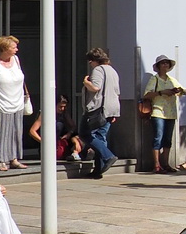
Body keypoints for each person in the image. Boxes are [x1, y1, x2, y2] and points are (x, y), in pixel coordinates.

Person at [0, 35, 30, 172]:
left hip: (18, 102)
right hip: (2, 103)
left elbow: (21, 78)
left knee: (16, 130)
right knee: (3, 132)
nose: (17, 49)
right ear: (5, 48)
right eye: (14, 47)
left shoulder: (16, 60)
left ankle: (14, 159)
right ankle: (2, 160)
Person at [143, 56, 186, 174]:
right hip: (158, 111)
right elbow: (146, 95)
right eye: (163, 63)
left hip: (171, 112)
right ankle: (156, 164)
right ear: (158, 66)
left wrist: (178, 91)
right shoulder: (155, 79)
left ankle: (166, 163)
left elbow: (184, 90)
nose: (165, 65)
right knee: (158, 137)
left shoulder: (171, 79)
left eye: (167, 63)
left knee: (168, 139)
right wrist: (162, 92)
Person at [81, 48, 120, 179]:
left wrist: (86, 83)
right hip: (111, 108)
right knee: (100, 137)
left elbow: (95, 87)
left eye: (90, 61)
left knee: (85, 134)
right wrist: (113, 113)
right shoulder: (112, 70)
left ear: (94, 60)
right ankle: (98, 170)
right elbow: (116, 91)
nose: (90, 64)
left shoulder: (98, 70)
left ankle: (108, 156)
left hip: (98, 109)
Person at [27, 93, 83, 163]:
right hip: (49, 145)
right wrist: (44, 142)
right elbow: (32, 131)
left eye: (64, 107)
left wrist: (69, 133)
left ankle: (76, 153)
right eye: (60, 106)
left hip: (60, 142)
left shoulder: (64, 113)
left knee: (78, 138)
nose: (62, 109)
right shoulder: (45, 113)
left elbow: (73, 126)